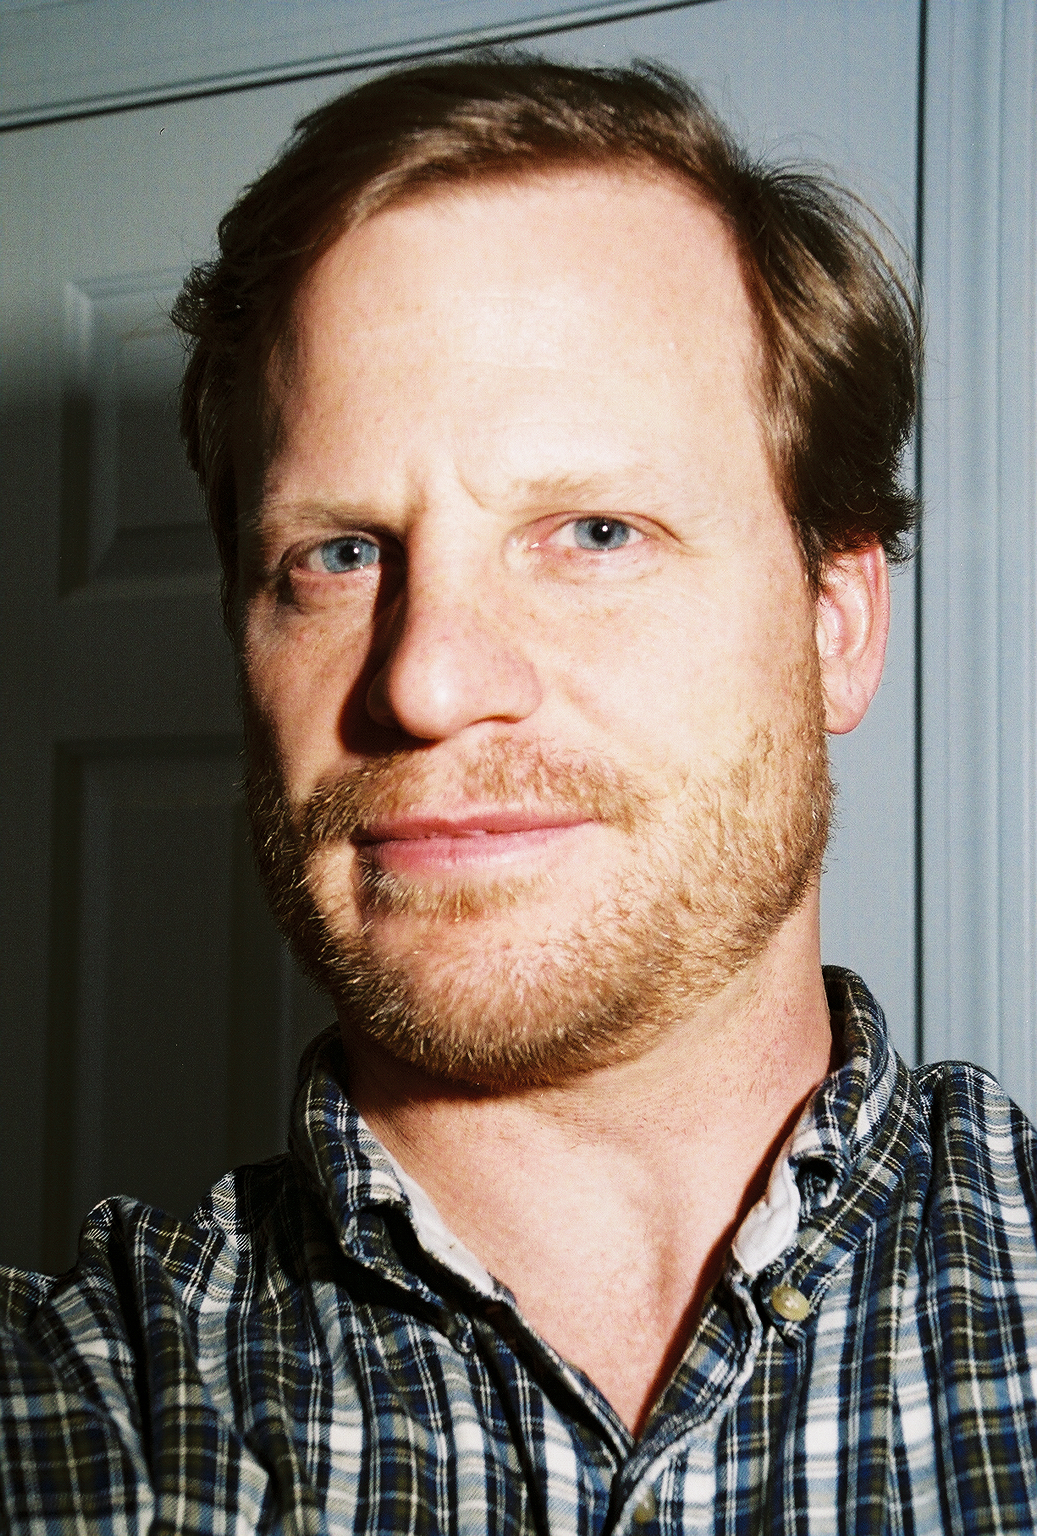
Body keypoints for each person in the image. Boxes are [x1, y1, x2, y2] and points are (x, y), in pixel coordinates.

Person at [2, 52, 1035, 1534]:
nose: (425, 681)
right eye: (338, 554)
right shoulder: (77, 1412)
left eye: (595, 531)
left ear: (835, 623)